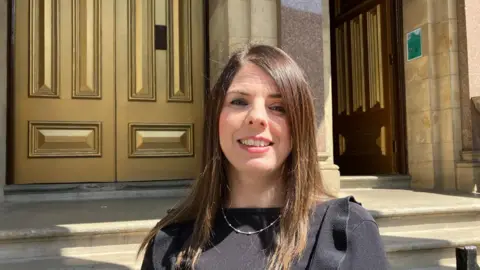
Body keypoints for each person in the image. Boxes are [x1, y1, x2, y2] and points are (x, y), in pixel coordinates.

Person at [138, 44, 389, 270]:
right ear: (216, 119)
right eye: (238, 101)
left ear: (298, 126)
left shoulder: (346, 230)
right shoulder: (170, 241)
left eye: (277, 107)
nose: (257, 117)